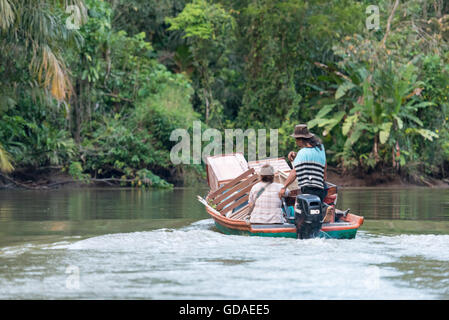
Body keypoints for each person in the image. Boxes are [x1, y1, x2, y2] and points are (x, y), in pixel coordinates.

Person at [279, 124, 335, 222]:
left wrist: (284, 187)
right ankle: (324, 211)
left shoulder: (303, 153)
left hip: (309, 188)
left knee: (306, 211)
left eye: (296, 139)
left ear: (301, 140)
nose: (296, 142)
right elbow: (324, 163)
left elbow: (294, 172)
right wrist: (324, 175)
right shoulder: (320, 148)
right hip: (322, 187)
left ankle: (324, 209)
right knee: (315, 208)